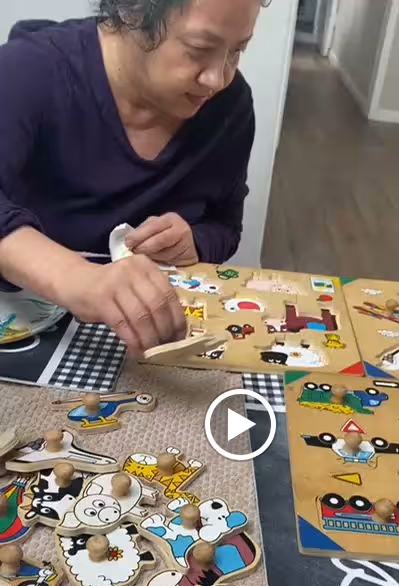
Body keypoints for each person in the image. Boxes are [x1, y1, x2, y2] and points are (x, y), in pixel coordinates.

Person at [0, 0, 264, 354]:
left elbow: (226, 225)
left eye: (237, 51)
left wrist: (195, 242)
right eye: (198, 49)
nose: (217, 79)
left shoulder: (230, 106)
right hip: (27, 331)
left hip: (145, 345)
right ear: (131, 12)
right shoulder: (29, 71)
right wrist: (79, 278)